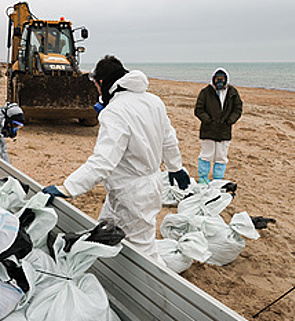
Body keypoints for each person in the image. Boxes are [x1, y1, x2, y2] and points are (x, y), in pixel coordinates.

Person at [43, 55, 189, 265]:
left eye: (95, 85)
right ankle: (102, 271)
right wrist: (175, 166)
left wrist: (68, 188)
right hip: (143, 185)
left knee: (142, 252)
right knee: (104, 229)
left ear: (102, 82)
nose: (97, 90)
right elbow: (169, 138)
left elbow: (103, 162)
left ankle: (161, 292)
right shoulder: (154, 101)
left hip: (133, 194)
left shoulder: (115, 112)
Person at [194, 67, 243, 183]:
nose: (219, 81)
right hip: (208, 130)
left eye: (222, 78)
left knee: (221, 156)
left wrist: (230, 121)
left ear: (226, 79)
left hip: (224, 130)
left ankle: (217, 179)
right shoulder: (205, 92)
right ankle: (203, 178)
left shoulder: (232, 92)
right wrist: (208, 121)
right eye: (217, 79)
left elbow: (238, 109)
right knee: (206, 155)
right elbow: (198, 110)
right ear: (213, 79)